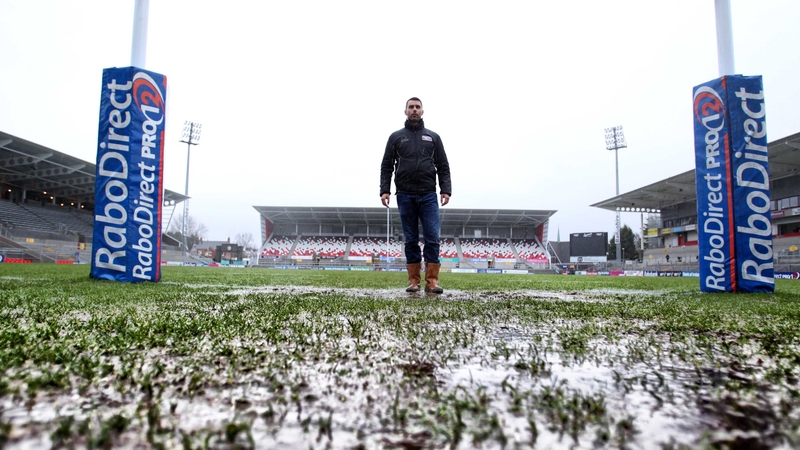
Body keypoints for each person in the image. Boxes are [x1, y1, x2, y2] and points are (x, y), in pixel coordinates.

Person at [380, 97, 452, 293]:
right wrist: (384, 189)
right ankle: (413, 281)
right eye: (410, 107)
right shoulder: (396, 137)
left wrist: (445, 189)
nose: (414, 110)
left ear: (422, 111)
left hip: (428, 194)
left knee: (432, 238)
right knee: (410, 239)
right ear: (405, 111)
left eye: (417, 107)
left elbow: (443, 166)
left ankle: (432, 282)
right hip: (404, 194)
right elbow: (387, 166)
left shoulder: (433, 137)